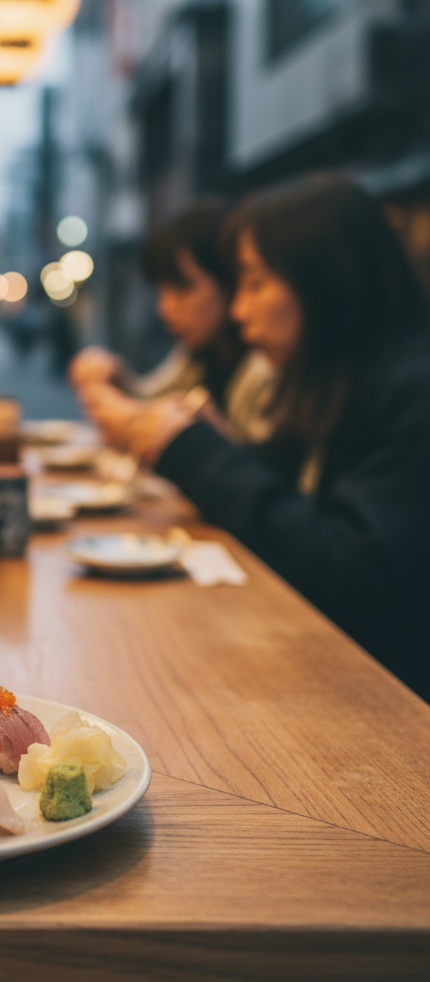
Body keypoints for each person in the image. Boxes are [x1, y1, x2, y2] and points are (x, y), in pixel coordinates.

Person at [84, 176, 430, 699]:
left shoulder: (411, 389)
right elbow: (297, 503)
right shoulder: (334, 381)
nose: (239, 309)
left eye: (254, 283)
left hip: (385, 702)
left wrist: (195, 452)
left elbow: (357, 575)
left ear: (324, 282)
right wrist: (220, 448)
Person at [69, 198, 273, 443]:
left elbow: (263, 475)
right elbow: (152, 403)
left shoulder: (265, 366)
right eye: (161, 291)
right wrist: (117, 377)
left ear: (229, 280)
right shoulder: (197, 355)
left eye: (182, 288)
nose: (164, 309)